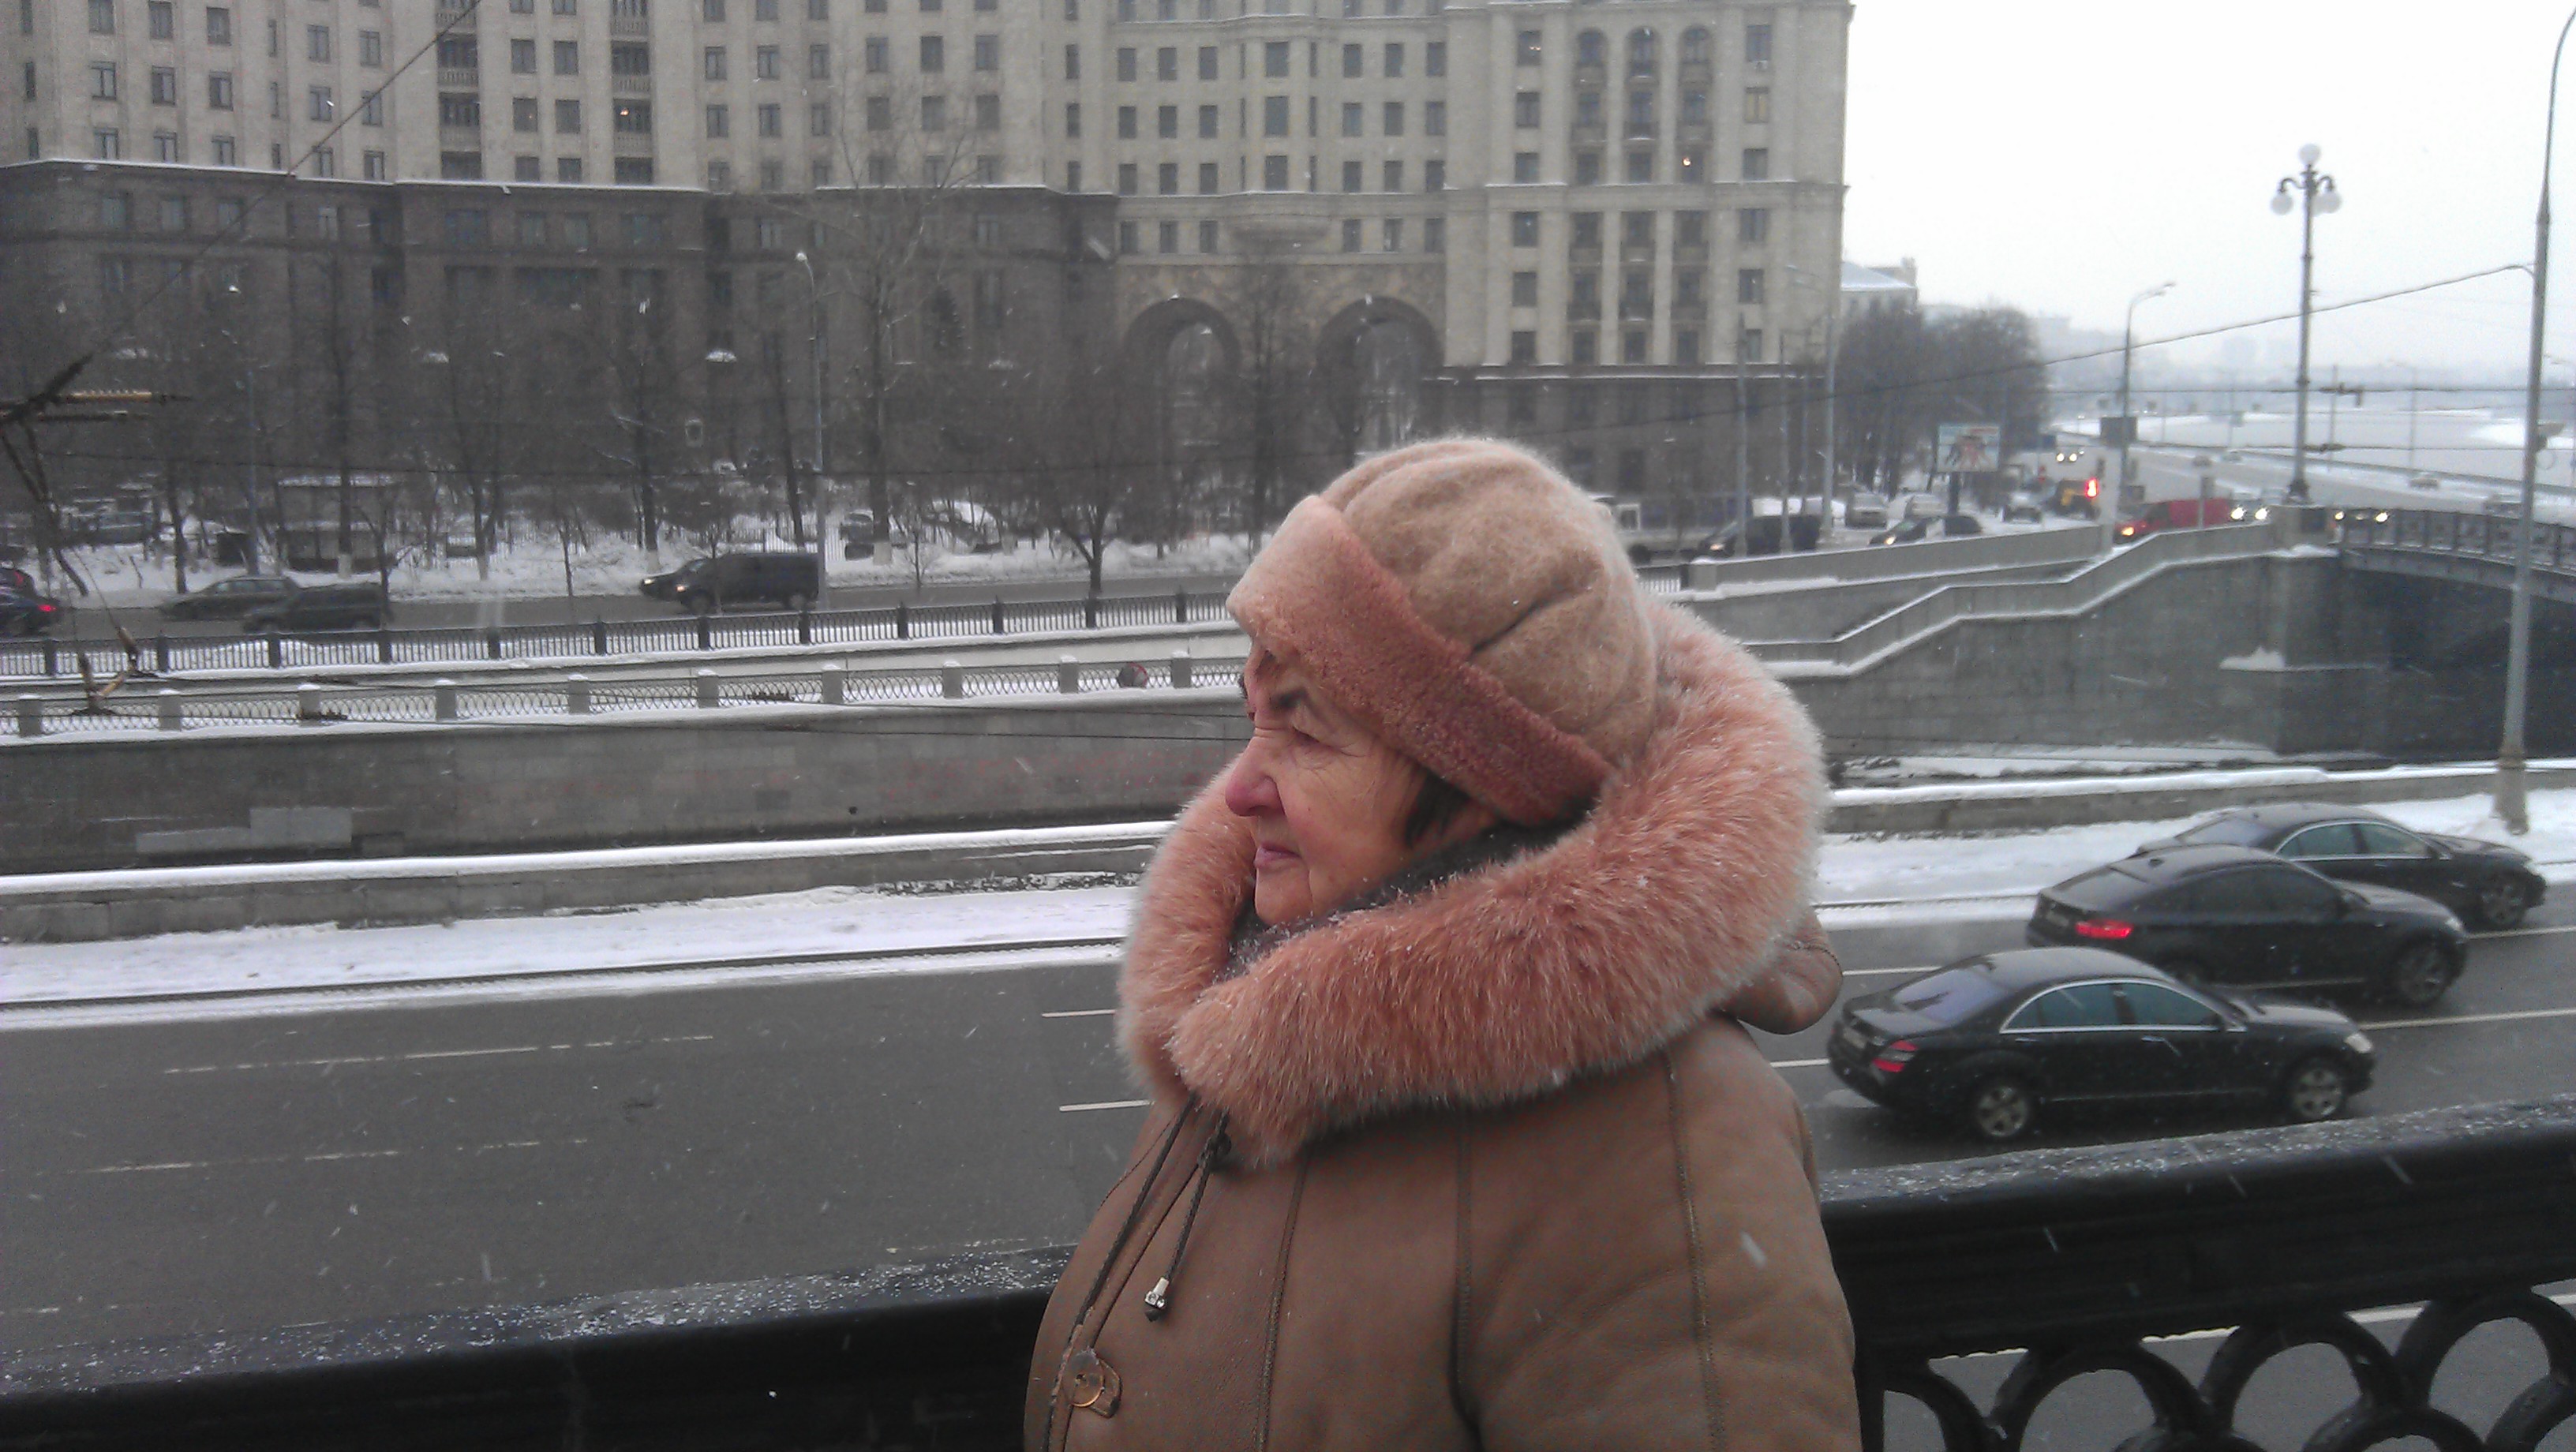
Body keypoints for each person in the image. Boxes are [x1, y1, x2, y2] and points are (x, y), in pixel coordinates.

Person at [1026, 439, 1856, 1451]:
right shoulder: (1260, 1004)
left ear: (1483, 787)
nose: (1236, 790)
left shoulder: (1671, 1146)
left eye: (1306, 732)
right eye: (1254, 717)